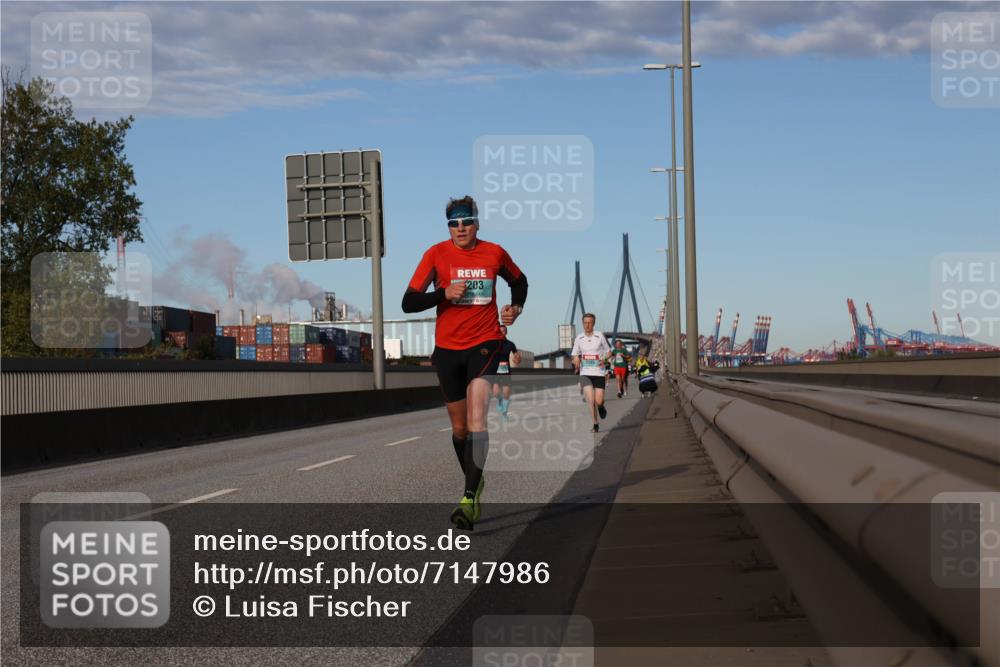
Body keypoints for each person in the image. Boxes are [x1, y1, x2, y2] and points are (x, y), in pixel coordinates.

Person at [402, 195, 528, 530]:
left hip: (485, 344)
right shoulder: (436, 254)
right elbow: (408, 302)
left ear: (477, 222)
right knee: (459, 430)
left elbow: (520, 281)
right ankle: (475, 483)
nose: (460, 228)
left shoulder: (495, 253)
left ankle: (469, 497)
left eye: (466, 221)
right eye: (453, 223)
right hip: (447, 350)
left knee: (477, 421)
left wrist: (515, 308)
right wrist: (442, 294)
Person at [571, 314, 610, 433]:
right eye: (585, 322)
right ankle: (595, 423)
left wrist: (604, 359)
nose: (587, 325)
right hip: (585, 373)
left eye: (590, 322)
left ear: (593, 323)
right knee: (591, 400)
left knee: (598, 401)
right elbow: (574, 354)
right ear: (583, 323)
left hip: (599, 373)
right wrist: (576, 359)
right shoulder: (579, 338)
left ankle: (601, 406)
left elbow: (609, 352)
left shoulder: (600, 336)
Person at [492, 324, 521, 420]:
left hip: (505, 370)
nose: (502, 333)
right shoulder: (493, 343)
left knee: (506, 394)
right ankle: (500, 401)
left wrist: (517, 359)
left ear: (506, 332)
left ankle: (504, 414)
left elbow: (517, 356)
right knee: (496, 393)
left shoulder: (510, 344)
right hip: (495, 370)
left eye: (503, 331)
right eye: (500, 331)